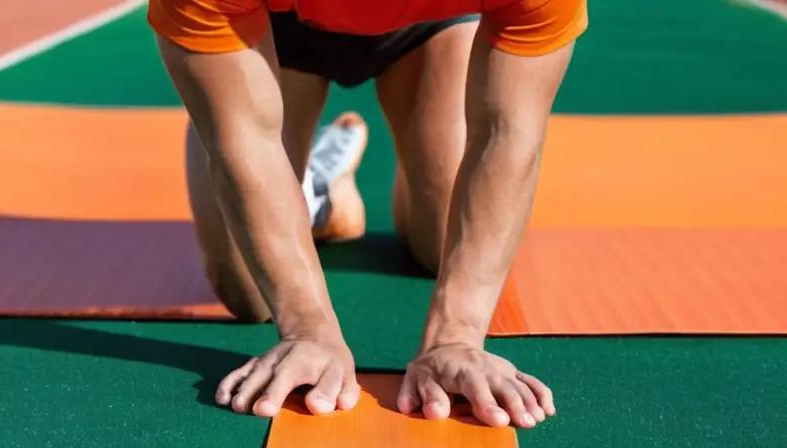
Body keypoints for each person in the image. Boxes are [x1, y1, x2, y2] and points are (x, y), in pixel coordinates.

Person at [148, 0, 587, 429]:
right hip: (271, 26)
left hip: (428, 24)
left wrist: (457, 336)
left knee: (441, 243)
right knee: (249, 294)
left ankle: (315, 189)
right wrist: (307, 329)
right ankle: (313, 188)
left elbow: (506, 132)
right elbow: (240, 135)